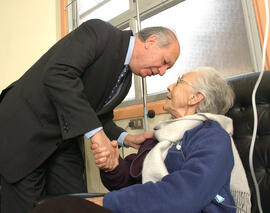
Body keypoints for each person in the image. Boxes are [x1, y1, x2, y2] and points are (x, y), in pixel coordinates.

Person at [0, 18, 180, 213]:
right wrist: (96, 135)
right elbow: (59, 74)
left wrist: (126, 138)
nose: (162, 73)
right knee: (25, 206)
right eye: (164, 62)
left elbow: (98, 117)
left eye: (167, 69)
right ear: (151, 41)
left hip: (63, 142)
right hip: (26, 131)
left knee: (75, 204)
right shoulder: (99, 33)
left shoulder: (125, 80)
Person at [30, 67, 251, 213]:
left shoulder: (212, 136)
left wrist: (106, 202)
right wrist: (113, 166)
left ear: (195, 98)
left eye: (179, 81)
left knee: (60, 208)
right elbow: (128, 182)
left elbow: (185, 195)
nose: (170, 86)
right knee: (54, 207)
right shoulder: (160, 137)